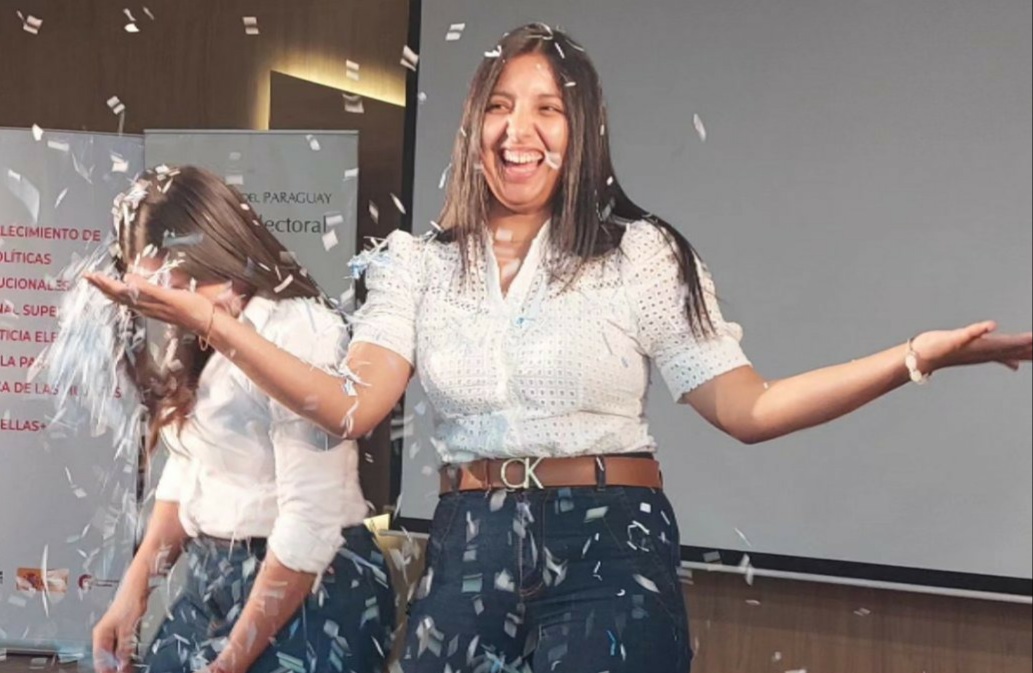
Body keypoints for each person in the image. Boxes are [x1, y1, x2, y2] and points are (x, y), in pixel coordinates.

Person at [89, 24, 1032, 673]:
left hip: (608, 541)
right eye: (501, 105)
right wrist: (216, 323)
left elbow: (750, 409)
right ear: (475, 125)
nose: (520, 130)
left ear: (579, 131)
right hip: (469, 540)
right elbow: (349, 406)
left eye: (548, 109)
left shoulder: (641, 254)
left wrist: (915, 356)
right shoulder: (415, 264)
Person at [86, 166, 394, 673]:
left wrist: (232, 662)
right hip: (216, 572)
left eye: (174, 287)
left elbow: (310, 519)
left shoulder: (299, 328)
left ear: (212, 256)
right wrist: (132, 593)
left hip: (312, 583)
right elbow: (190, 474)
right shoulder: (194, 332)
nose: (165, 306)